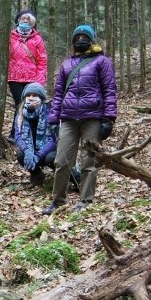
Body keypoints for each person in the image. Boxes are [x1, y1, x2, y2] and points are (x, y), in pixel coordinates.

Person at [43, 24, 118, 215]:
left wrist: (109, 118)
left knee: (88, 161)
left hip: (92, 116)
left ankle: (85, 201)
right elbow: (59, 93)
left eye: (84, 37)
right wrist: (53, 118)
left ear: (92, 40)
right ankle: (58, 202)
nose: (80, 40)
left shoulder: (102, 62)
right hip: (68, 118)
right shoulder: (67, 65)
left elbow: (109, 90)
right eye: (77, 38)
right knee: (61, 161)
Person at [13, 83, 56, 187]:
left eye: (35, 95)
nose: (31, 98)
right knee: (20, 155)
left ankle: (61, 178)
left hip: (47, 151)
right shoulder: (20, 114)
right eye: (28, 95)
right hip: (31, 150)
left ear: (41, 97)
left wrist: (38, 155)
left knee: (51, 158)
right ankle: (37, 175)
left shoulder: (50, 112)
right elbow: (18, 136)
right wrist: (27, 152)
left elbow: (53, 139)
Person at [7, 10, 48, 117]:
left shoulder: (37, 39)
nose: (25, 21)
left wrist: (40, 81)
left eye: (28, 19)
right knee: (20, 104)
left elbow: (42, 60)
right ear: (18, 20)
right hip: (14, 78)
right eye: (22, 18)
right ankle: (17, 132)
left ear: (32, 23)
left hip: (32, 79)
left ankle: (24, 131)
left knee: (31, 106)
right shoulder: (10, 37)